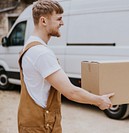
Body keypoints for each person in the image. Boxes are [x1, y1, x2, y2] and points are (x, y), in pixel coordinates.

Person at [17, 0, 114, 132]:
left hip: (34, 123)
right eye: (59, 19)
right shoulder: (41, 53)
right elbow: (71, 92)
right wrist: (99, 101)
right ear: (43, 21)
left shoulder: (30, 45)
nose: (62, 23)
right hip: (40, 126)